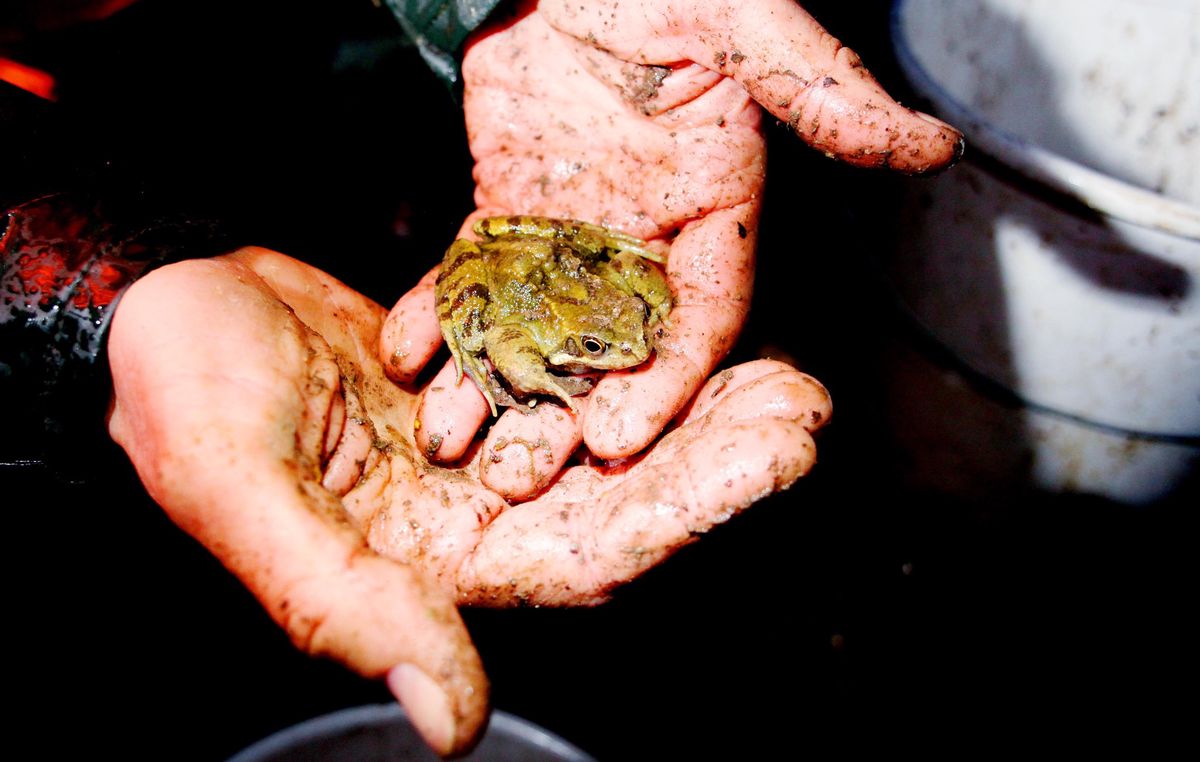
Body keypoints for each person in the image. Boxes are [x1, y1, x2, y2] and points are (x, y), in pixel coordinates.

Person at [2, 0, 960, 755]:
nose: (623, 364)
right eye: (604, 358)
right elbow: (515, 340)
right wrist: (97, 289)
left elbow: (617, 296)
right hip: (180, 120)